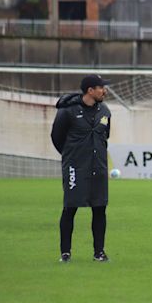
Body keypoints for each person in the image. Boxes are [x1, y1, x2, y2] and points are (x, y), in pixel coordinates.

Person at [51, 74, 112, 262]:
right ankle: (65, 253)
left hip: (99, 167)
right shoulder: (67, 111)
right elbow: (56, 137)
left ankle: (99, 253)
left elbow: (105, 137)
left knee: (100, 208)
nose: (105, 91)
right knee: (70, 208)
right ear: (90, 90)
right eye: (101, 87)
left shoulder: (105, 111)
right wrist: (72, 156)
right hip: (75, 168)